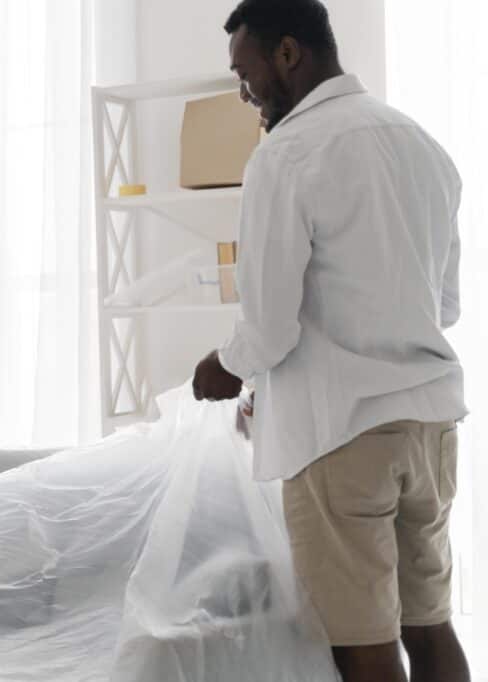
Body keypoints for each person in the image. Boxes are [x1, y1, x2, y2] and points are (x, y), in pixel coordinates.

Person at [193, 1, 469, 681]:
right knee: (430, 626)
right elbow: (448, 305)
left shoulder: (284, 154)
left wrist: (221, 369)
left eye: (244, 70)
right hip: (429, 427)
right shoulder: (421, 143)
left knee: (362, 642)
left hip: (342, 439)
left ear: (288, 53)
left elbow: (268, 328)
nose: (243, 90)